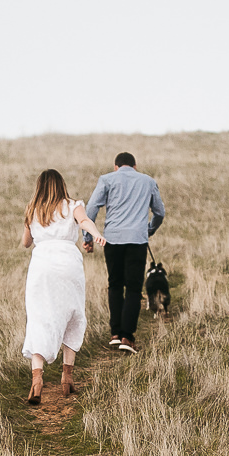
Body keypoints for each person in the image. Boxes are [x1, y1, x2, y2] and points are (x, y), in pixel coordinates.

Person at [20, 169, 101, 405]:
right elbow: (84, 221)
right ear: (61, 185)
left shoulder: (33, 208)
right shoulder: (73, 205)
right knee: (72, 314)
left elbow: (26, 243)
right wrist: (95, 234)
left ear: (39, 186)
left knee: (39, 317)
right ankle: (67, 377)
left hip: (42, 267)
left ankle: (37, 379)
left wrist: (36, 229)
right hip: (68, 264)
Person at [84, 151, 165, 354]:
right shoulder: (148, 181)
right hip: (137, 241)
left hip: (112, 240)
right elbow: (160, 212)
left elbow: (91, 207)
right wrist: (149, 230)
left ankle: (115, 333)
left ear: (116, 167)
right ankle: (127, 337)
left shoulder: (107, 179)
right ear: (135, 166)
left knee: (115, 284)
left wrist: (88, 237)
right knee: (134, 289)